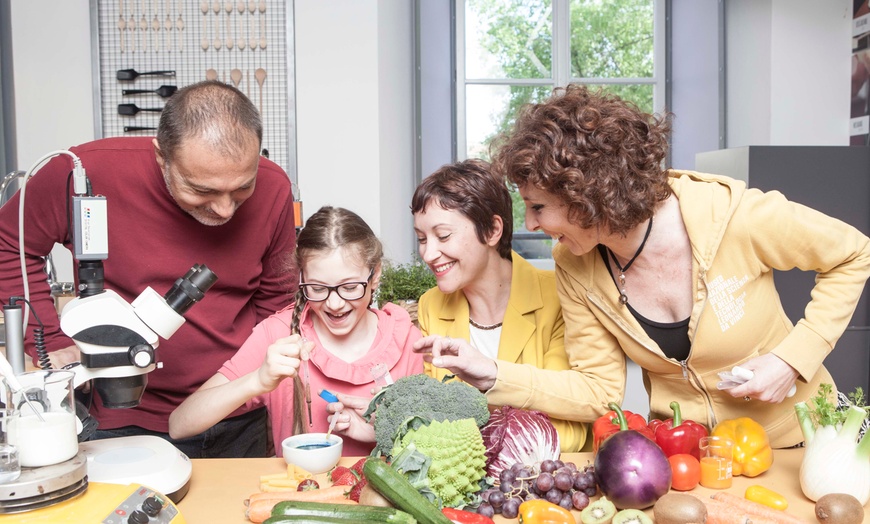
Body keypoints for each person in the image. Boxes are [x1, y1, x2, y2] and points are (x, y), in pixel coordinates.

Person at [418, 84, 870, 449]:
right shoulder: (575, 264)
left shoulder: (734, 216)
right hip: (688, 455)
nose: (531, 224)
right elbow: (598, 390)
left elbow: (854, 253)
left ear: (586, 195)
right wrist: (492, 372)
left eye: (538, 207)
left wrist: (792, 359)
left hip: (804, 440)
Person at [0, 80, 297, 458]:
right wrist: (50, 344)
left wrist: (242, 383)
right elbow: (9, 243)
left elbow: (276, 301)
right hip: (121, 416)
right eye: (202, 191)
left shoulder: (273, 187)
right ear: (162, 156)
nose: (224, 209)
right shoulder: (82, 173)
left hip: (233, 413)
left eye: (241, 188)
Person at [168, 206, 425, 457]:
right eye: (317, 287)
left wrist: (383, 431)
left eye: (349, 287)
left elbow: (430, 449)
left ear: (375, 274)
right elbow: (180, 425)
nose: (334, 304)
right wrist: (257, 381)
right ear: (301, 277)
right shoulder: (277, 335)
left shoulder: (406, 341)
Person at [410, 160, 587, 452]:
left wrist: (471, 446)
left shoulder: (559, 296)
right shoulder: (431, 305)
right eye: (421, 238)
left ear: (492, 230)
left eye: (443, 236)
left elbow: (571, 429)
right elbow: (433, 420)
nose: (428, 253)